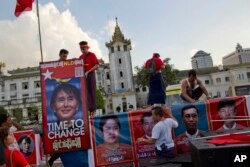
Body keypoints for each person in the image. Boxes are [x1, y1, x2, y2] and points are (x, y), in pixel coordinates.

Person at [79, 41, 99, 116]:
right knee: (85, 93)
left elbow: (97, 65)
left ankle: (93, 110)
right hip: (83, 76)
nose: (82, 50)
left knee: (92, 91)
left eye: (84, 48)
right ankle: (87, 109)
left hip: (90, 74)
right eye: (81, 49)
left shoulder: (92, 55)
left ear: (87, 47)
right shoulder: (81, 57)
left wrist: (88, 71)